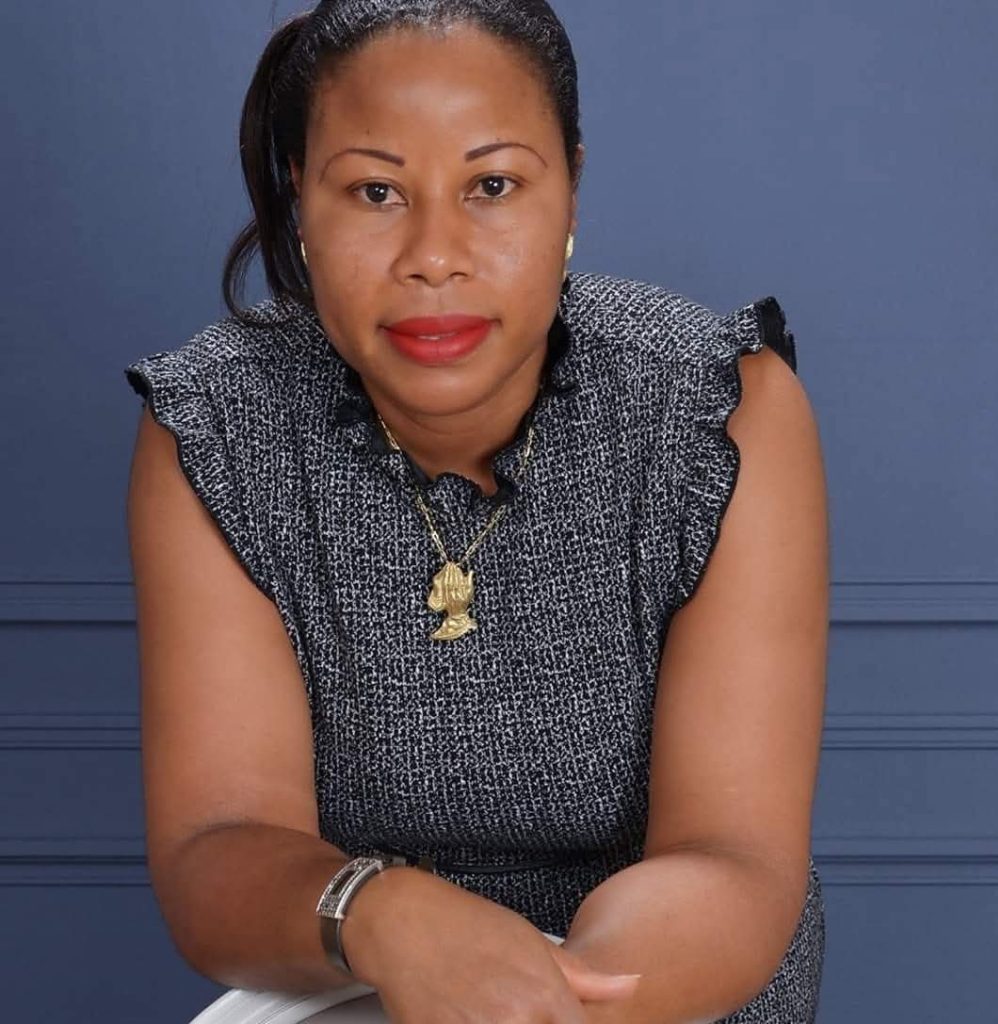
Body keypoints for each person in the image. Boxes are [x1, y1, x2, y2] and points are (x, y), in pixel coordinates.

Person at [123, 2, 829, 1022]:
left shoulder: (716, 408)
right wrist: (381, 913)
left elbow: (730, 855)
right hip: (356, 969)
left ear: (569, 187)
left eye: (492, 186)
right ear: (302, 201)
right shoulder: (218, 422)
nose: (434, 255)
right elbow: (219, 844)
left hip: (665, 986)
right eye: (375, 191)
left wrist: (551, 1002)